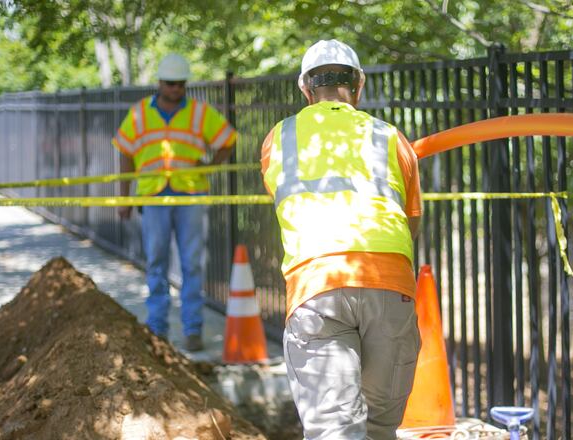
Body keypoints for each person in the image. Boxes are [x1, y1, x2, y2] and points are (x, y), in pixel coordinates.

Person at [259, 39, 422, 439]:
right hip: (389, 283)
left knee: (334, 429)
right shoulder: (390, 137)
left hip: (317, 285)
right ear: (359, 84)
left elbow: (282, 202)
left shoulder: (280, 138)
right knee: (380, 427)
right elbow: (411, 222)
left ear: (305, 88)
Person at [111, 53, 237, 351]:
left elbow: (228, 140)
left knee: (192, 263)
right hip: (153, 195)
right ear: (160, 83)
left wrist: (208, 167)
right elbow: (125, 153)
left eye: (180, 84)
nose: (175, 89)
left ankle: (192, 329)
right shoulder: (140, 113)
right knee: (156, 261)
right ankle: (157, 328)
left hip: (190, 194)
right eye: (170, 84)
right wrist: (124, 198)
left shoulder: (199, 113)